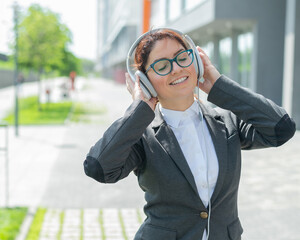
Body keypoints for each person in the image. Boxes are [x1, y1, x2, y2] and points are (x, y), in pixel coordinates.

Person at [83, 29, 296, 240]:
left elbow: (280, 129)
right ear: (144, 80)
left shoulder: (227, 122)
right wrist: (139, 109)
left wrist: (219, 86)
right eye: (162, 65)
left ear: (196, 61)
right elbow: (99, 168)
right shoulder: (141, 136)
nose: (176, 68)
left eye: (182, 57)